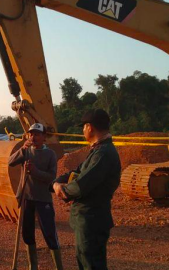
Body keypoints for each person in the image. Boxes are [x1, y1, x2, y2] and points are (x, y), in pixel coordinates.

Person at [52, 109, 121, 270]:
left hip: (92, 219)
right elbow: (78, 171)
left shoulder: (103, 154)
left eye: (83, 127)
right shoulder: (98, 150)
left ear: (89, 127)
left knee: (91, 263)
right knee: (86, 260)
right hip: (90, 218)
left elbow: (80, 185)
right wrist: (56, 182)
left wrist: (62, 190)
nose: (82, 130)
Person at [8, 123, 62, 270]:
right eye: (31, 134)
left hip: (43, 198)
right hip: (26, 197)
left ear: (44, 137)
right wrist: (22, 148)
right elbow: (10, 162)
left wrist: (35, 171)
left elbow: (51, 177)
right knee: (27, 233)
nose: (33, 137)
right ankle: (33, 266)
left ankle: (59, 266)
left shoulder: (50, 154)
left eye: (37, 134)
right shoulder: (26, 151)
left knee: (49, 233)